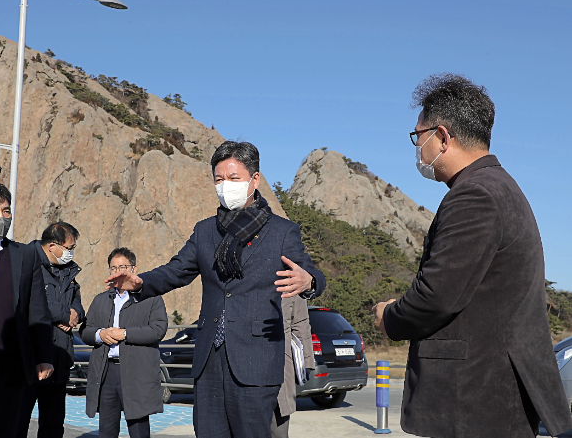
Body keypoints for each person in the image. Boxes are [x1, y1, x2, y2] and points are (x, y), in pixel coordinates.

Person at [372, 74, 572, 438]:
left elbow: (436, 297)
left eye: (419, 137)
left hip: (476, 399)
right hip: (489, 400)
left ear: (443, 137)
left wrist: (390, 316)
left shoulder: (474, 196)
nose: (418, 148)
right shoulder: (499, 187)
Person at [106, 141, 326, 438]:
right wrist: (142, 282)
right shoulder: (205, 230)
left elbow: (312, 273)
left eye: (234, 179)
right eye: (219, 180)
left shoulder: (282, 231)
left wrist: (309, 281)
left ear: (254, 180)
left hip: (256, 361)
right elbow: (177, 270)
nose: (225, 187)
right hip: (209, 360)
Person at [0, 184, 54, 438]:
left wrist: (44, 355)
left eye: (6, 211)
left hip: (10, 369)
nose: (1, 218)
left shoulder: (25, 255)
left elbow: (37, 309)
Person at [81, 247, 168, 438]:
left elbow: (158, 329)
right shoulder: (101, 300)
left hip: (136, 371)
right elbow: (85, 331)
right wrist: (100, 334)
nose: (117, 271)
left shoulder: (151, 298)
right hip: (106, 372)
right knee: (106, 429)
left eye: (122, 267)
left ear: (133, 269)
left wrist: (125, 334)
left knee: (138, 429)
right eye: (113, 268)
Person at [16, 221, 86, 438]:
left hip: (59, 359)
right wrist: (64, 314)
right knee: (17, 420)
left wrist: (73, 315)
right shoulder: (26, 261)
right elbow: (30, 303)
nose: (71, 253)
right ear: (52, 246)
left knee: (53, 425)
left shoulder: (68, 272)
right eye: (69, 247)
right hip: (30, 360)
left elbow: (79, 308)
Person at [272, 296, 314, 438]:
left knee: (278, 431)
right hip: (241, 369)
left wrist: (306, 362)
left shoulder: (290, 277)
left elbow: (300, 323)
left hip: (281, 370)